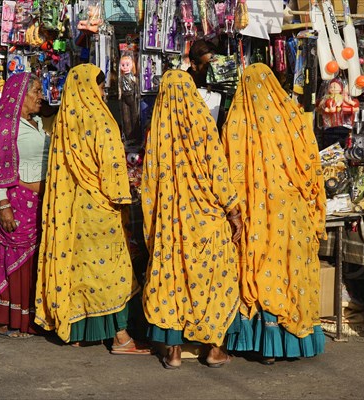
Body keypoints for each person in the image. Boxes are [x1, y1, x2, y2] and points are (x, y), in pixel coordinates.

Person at [34, 64, 150, 354]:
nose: (102, 91)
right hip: (100, 210)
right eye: (99, 86)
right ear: (90, 87)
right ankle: (120, 336)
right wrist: (124, 197)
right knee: (111, 272)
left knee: (80, 271)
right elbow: (112, 169)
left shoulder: (64, 120)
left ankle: (79, 330)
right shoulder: (101, 119)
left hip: (72, 209)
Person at [222, 63, 327, 365]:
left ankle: (260, 342)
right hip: (291, 212)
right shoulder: (291, 115)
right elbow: (310, 165)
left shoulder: (235, 119)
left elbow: (227, 169)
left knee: (258, 268)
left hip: (253, 211)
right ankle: (291, 340)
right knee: (290, 271)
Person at [141, 70, 242, 369]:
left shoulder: (157, 132)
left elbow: (149, 183)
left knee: (173, 281)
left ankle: (173, 352)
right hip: (207, 219)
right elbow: (219, 173)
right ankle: (213, 349)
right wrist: (233, 210)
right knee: (214, 280)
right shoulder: (202, 126)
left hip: (171, 223)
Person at [0, 72, 48, 339]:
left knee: (34, 262)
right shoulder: (6, 127)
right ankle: (10, 319)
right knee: (17, 262)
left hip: (38, 202)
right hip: (17, 202)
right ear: (20, 96)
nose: (40, 97)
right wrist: (3, 204)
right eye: (36, 92)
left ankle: (32, 316)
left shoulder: (38, 123)